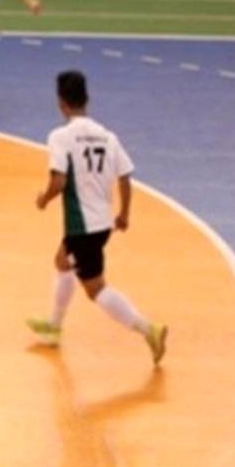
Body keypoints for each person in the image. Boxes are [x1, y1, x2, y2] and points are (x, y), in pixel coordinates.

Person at [27, 71, 168, 365]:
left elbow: (59, 181)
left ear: (61, 103)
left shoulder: (60, 137)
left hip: (82, 227)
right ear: (86, 99)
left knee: (96, 289)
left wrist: (44, 199)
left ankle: (149, 330)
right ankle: (54, 325)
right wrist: (124, 214)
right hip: (102, 223)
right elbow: (125, 176)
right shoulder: (107, 136)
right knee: (62, 261)